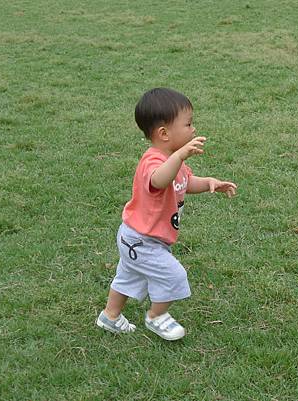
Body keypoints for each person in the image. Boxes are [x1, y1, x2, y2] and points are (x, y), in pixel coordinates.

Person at [96, 88, 237, 340]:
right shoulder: (153, 161)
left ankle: (110, 316)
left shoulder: (173, 160)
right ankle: (156, 317)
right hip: (142, 239)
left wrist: (210, 183)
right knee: (174, 275)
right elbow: (160, 180)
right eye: (188, 124)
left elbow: (185, 182)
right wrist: (181, 154)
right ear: (164, 133)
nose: (193, 129)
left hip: (137, 237)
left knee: (128, 277)